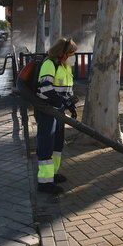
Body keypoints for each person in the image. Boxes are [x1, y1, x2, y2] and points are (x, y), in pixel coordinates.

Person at [35, 38, 78, 194]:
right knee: (46, 144)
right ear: (62, 53)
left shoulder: (65, 67)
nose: (72, 56)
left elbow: (67, 91)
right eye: (70, 53)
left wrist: (70, 105)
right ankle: (44, 182)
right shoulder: (49, 64)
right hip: (47, 111)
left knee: (57, 144)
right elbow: (45, 88)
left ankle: (52, 173)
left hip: (58, 111)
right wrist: (60, 101)